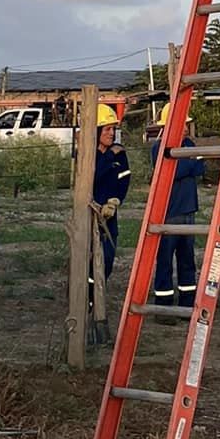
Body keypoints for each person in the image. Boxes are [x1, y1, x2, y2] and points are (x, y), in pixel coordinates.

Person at [147, 104, 205, 311]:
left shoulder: (189, 144)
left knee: (187, 260)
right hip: (168, 212)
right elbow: (174, 172)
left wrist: (183, 164)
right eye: (183, 124)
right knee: (165, 260)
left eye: (187, 124)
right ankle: (163, 305)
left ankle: (187, 303)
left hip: (188, 210)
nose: (186, 128)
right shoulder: (159, 148)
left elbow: (200, 168)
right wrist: (188, 163)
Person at [88, 101, 132, 313]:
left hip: (109, 215)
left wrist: (116, 201)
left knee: (107, 258)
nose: (112, 134)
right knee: (88, 259)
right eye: (107, 129)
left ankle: (98, 295)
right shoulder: (89, 155)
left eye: (113, 129)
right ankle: (87, 299)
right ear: (96, 131)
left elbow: (124, 178)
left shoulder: (119, 153)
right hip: (89, 215)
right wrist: (108, 156)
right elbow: (92, 178)